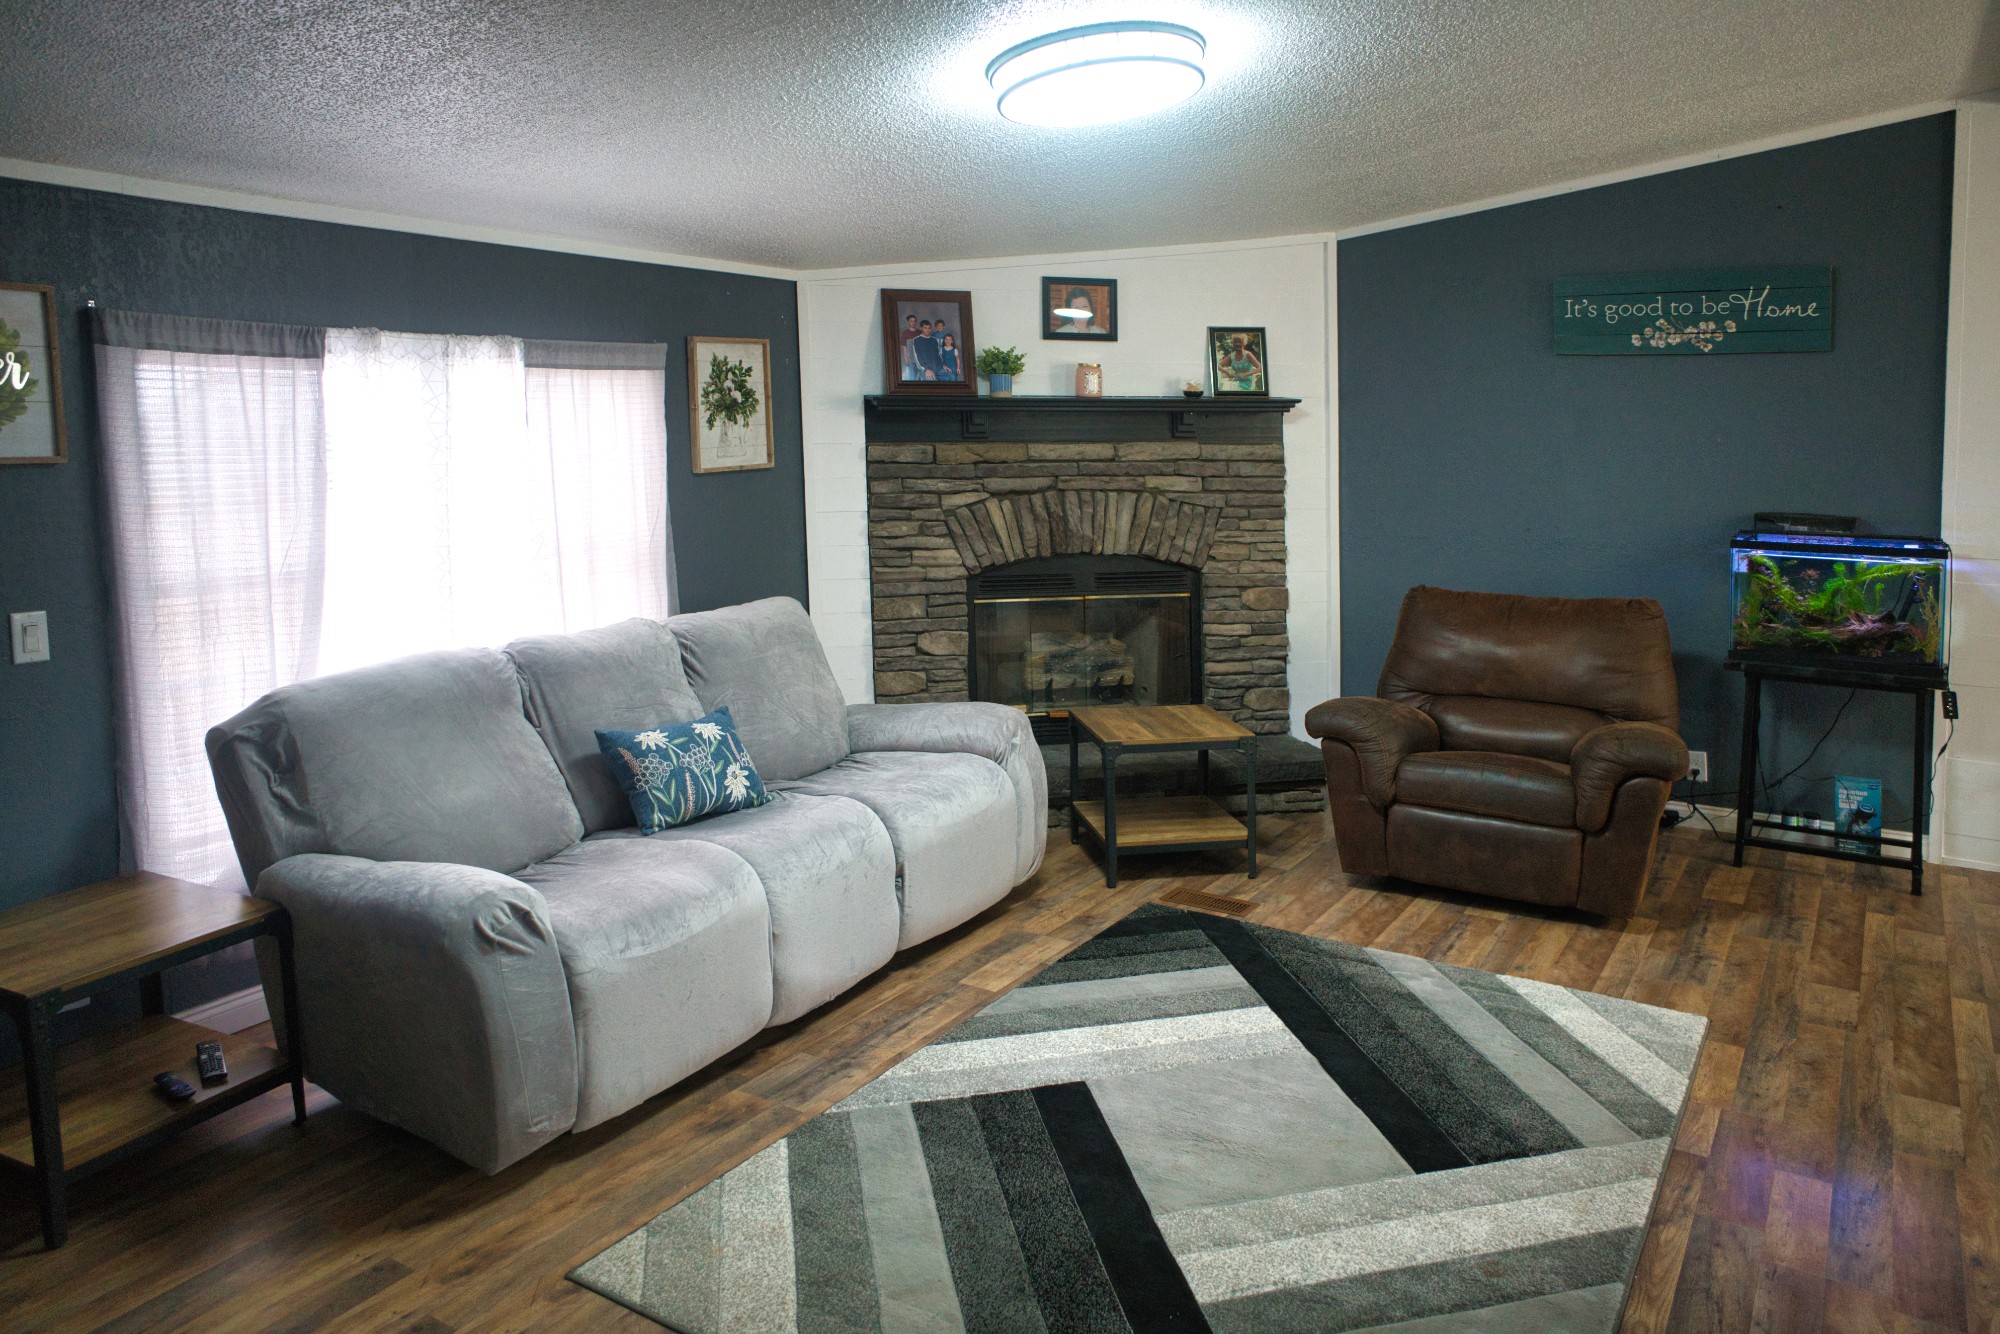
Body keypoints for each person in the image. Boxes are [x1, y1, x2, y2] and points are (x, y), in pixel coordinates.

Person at [899, 313, 921, 381]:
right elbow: (904, 347)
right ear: (908, 322)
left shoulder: (920, 332)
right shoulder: (905, 333)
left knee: (921, 377)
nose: (913, 322)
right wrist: (906, 358)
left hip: (920, 359)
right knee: (912, 377)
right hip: (911, 359)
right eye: (911, 321)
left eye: (914, 321)